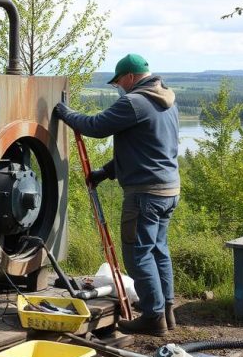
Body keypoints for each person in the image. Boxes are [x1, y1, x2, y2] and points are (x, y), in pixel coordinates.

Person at [53, 54, 180, 336]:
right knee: (158, 250)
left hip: (145, 194)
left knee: (138, 255)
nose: (119, 87)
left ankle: (152, 316)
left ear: (131, 77)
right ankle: (166, 311)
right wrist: (107, 172)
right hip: (168, 190)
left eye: (119, 81)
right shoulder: (167, 101)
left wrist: (65, 113)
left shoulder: (135, 102)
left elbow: (95, 127)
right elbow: (147, 148)